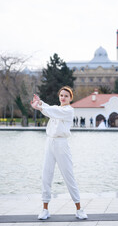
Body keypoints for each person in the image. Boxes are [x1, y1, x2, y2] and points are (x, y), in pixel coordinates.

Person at [30, 86, 88, 220]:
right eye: (61, 95)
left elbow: (53, 111)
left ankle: (79, 209)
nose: (63, 97)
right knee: (46, 175)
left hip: (62, 144)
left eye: (66, 96)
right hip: (49, 143)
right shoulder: (57, 109)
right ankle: (45, 209)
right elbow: (51, 109)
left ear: (70, 98)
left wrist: (40, 106)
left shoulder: (69, 110)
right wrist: (40, 103)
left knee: (69, 176)